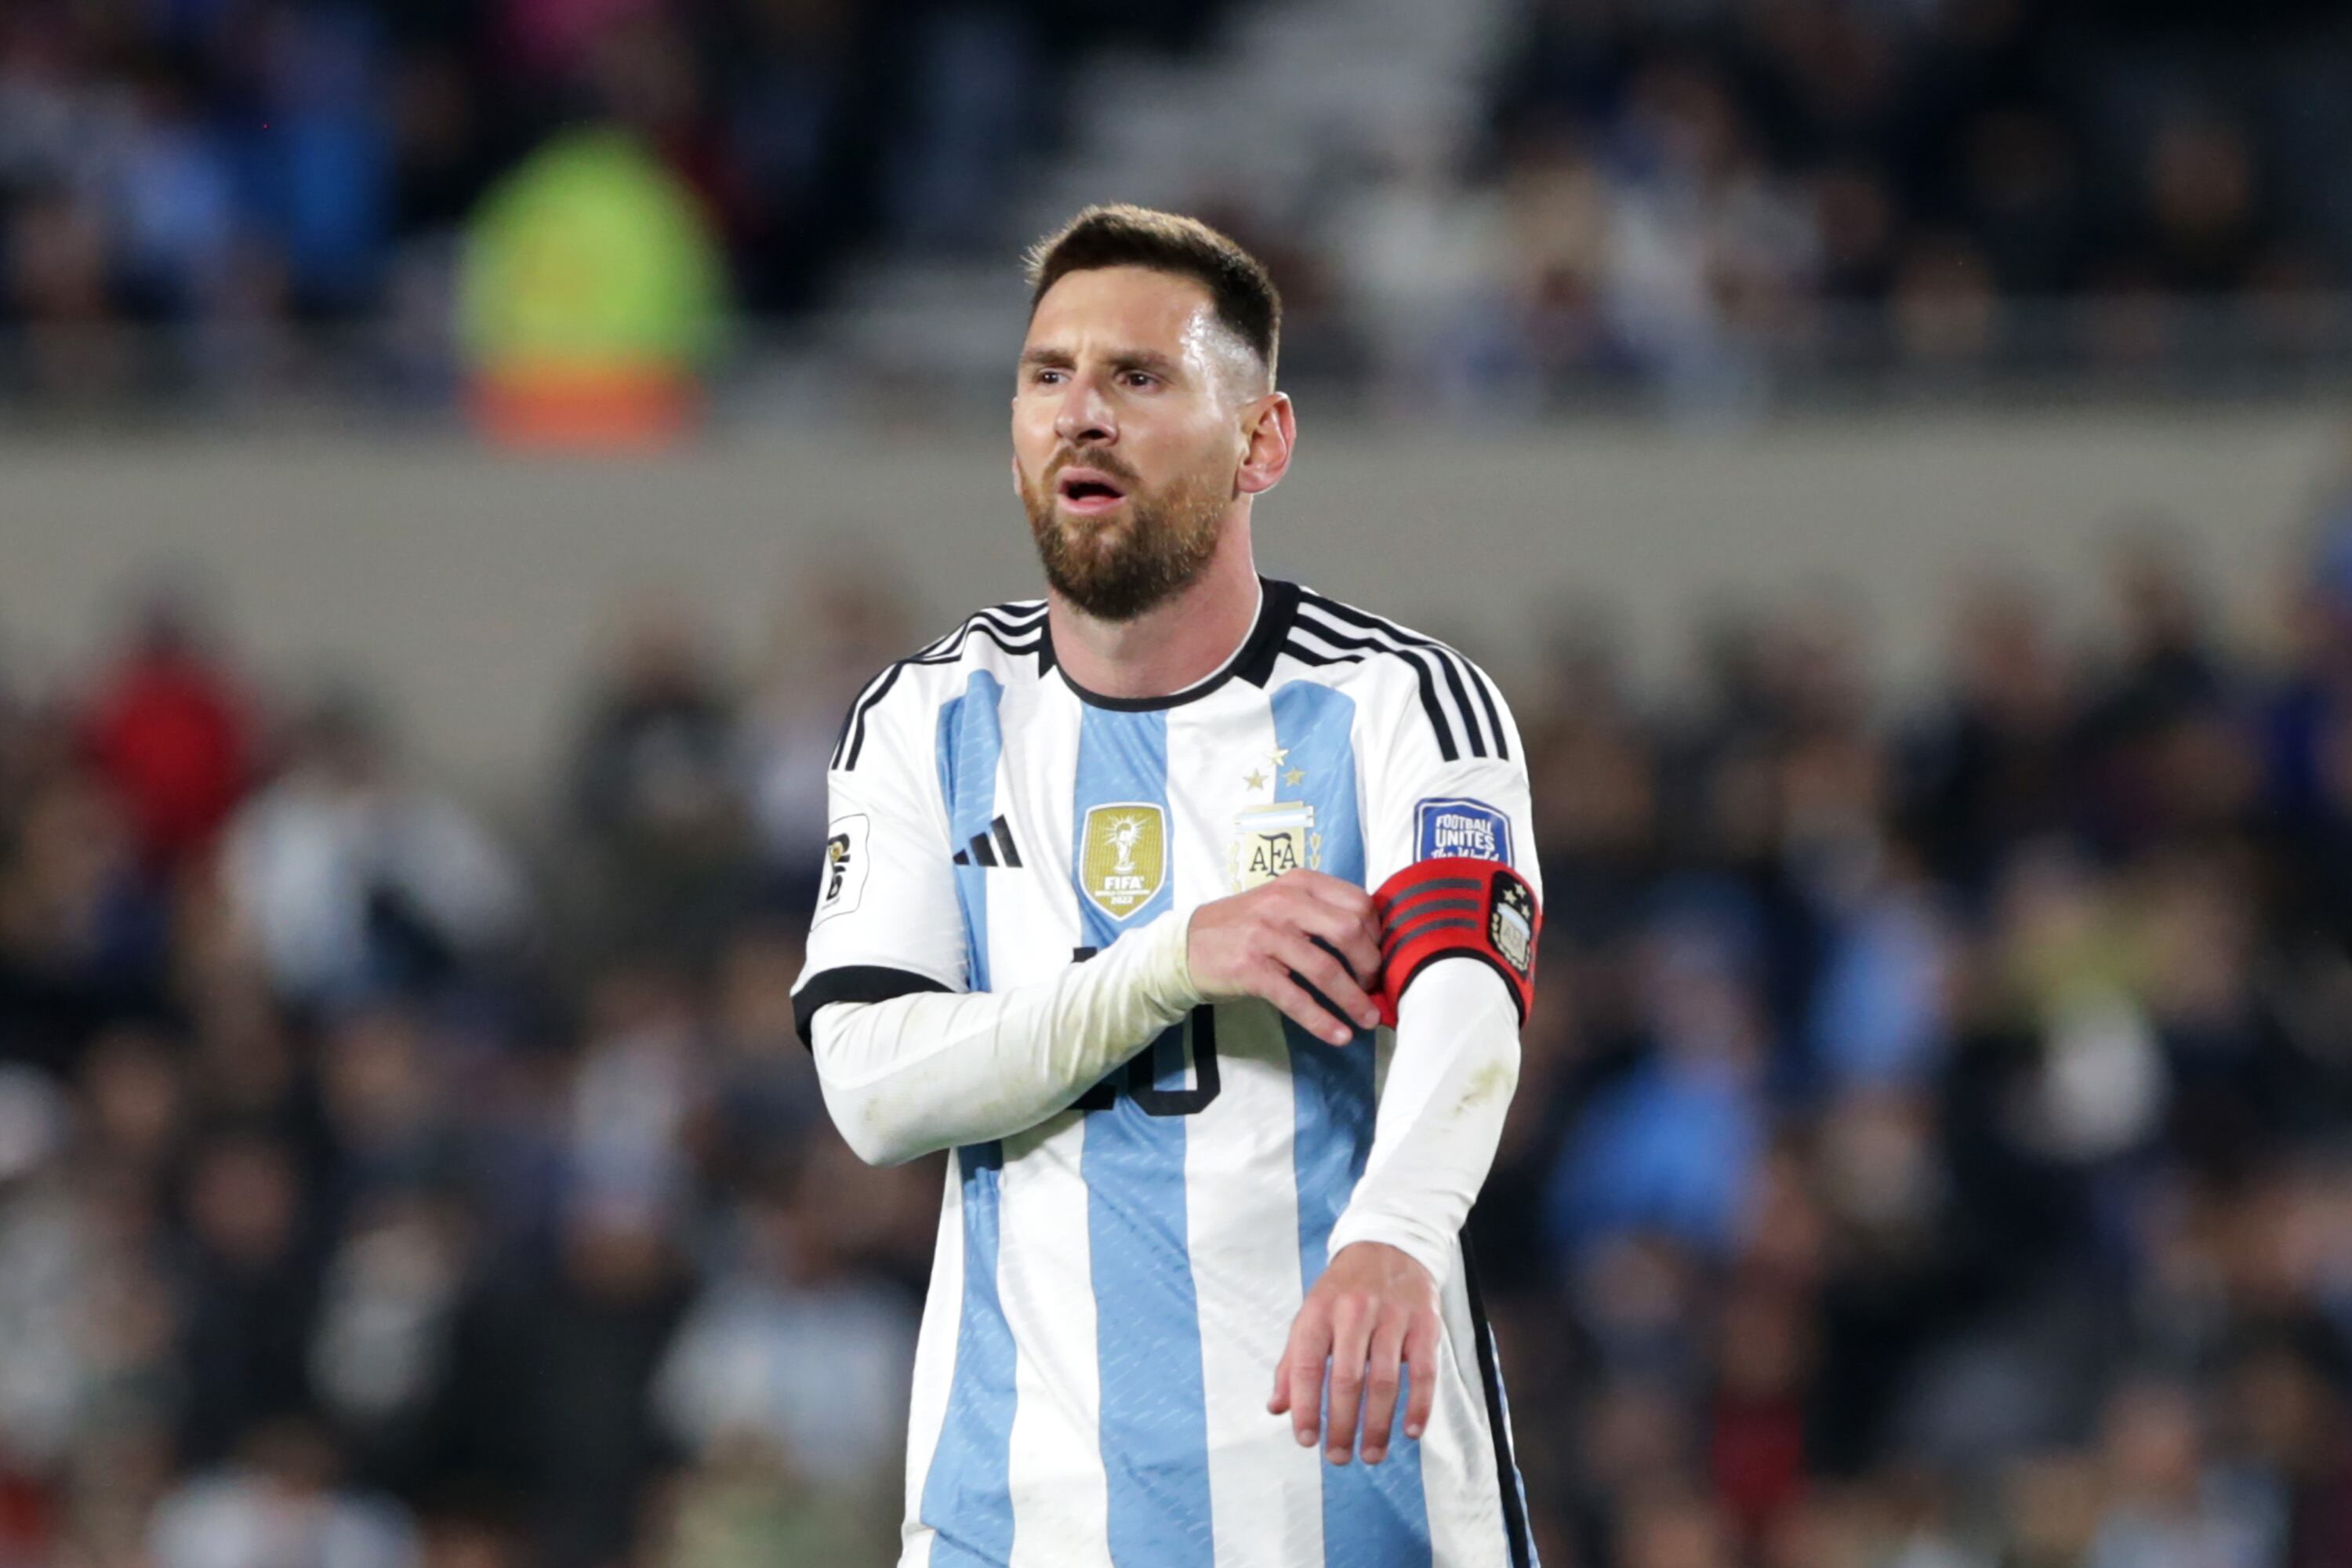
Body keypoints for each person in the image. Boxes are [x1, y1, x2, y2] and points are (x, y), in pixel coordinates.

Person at [791, 205, 1544, 1567]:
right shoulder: (928, 718)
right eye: (1047, 376)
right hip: (1019, 1517)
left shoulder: (1398, 703)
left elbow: (1469, 1001)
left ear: (1262, 440)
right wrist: (1172, 959)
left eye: (1138, 378)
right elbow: (873, 1085)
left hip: (1350, 1498)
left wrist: (1393, 1234)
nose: (1082, 414)